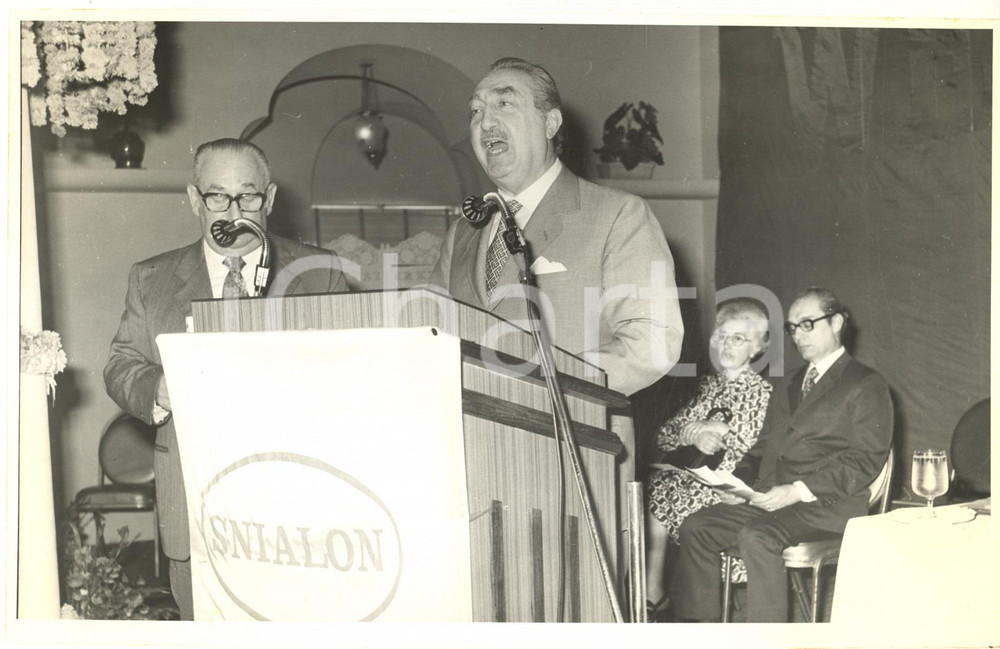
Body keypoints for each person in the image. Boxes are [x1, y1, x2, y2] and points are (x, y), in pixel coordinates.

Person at [103, 138, 349, 619]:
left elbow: (350, 374)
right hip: (195, 514)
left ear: (270, 199)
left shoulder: (321, 273)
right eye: (217, 196)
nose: (233, 210)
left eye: (248, 196)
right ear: (195, 199)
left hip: (298, 510)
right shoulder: (150, 278)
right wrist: (159, 387)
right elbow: (121, 364)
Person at [430, 56, 683, 398]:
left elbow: (653, 341)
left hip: (574, 438)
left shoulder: (619, 215)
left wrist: (546, 388)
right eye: (475, 111)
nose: (486, 121)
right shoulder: (462, 233)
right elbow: (429, 337)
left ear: (550, 124)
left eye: (504, 103)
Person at [669, 287, 893, 622]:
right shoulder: (788, 384)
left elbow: (864, 461)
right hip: (774, 502)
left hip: (826, 507)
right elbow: (761, 450)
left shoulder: (865, 384)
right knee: (696, 526)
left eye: (808, 324)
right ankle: (705, 632)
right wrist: (736, 485)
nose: (798, 336)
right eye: (792, 327)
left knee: (757, 535)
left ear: (836, 322)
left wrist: (795, 491)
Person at [644, 299, 772, 620]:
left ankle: (689, 604)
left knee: (678, 494)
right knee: (658, 484)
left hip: (736, 485)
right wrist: (688, 431)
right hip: (699, 477)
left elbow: (760, 441)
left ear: (756, 348)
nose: (728, 345)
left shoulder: (761, 392)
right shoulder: (707, 389)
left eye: (738, 339)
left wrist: (723, 430)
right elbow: (664, 435)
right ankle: (653, 585)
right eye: (722, 337)